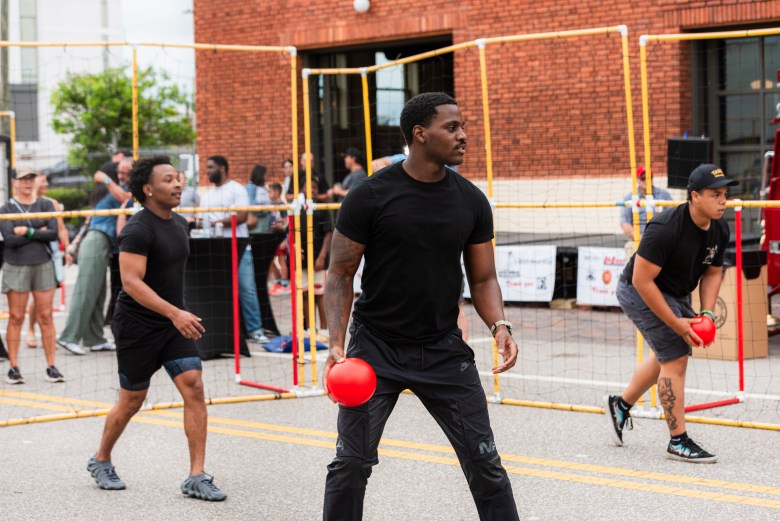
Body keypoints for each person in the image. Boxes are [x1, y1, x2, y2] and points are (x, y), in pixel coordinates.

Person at [322, 92, 520, 520]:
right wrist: (336, 344)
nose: (464, 136)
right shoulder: (370, 196)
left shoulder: (470, 200)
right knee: (352, 464)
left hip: (443, 349)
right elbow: (339, 273)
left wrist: (499, 325)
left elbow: (483, 277)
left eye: (463, 126)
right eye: (452, 128)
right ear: (419, 134)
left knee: (485, 463)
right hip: (376, 349)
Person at [86, 155, 226, 501]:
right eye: (168, 180)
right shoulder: (137, 228)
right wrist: (175, 313)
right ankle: (100, 458)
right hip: (136, 326)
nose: (178, 184)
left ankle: (197, 475)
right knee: (132, 399)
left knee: (193, 384)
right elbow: (131, 283)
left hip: (171, 324)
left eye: (178, 178)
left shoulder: (180, 224)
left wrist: (177, 315)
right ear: (147, 189)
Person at [606, 163, 738, 464]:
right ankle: (677, 441)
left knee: (669, 353)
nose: (723, 201)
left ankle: (620, 405)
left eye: (725, 194)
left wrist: (705, 311)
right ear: (694, 197)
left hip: (674, 290)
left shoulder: (719, 228)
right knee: (676, 356)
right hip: (639, 289)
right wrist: (676, 322)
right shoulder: (666, 228)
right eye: (715, 194)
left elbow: (713, 273)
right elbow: (641, 280)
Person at [57, 158, 132, 355]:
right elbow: (125, 196)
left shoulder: (113, 190)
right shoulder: (114, 190)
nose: (122, 175)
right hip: (96, 241)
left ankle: (94, 338)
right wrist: (107, 179)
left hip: (102, 244)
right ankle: (68, 336)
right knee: (86, 290)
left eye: (125, 172)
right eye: (119, 172)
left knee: (98, 293)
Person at [0, 165, 63, 384]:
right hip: (16, 265)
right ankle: (14, 367)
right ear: (15, 182)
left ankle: (52, 366)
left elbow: (53, 233)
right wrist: (40, 232)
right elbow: (10, 240)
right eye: (23, 179)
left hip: (42, 264)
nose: (27, 182)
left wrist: (26, 231)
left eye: (31, 178)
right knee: (16, 317)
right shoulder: (6, 208)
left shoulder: (46, 204)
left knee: (46, 317)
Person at [199, 155, 269, 344]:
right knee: (218, 292)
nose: (207, 171)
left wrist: (216, 222)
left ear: (222, 168)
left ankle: (255, 329)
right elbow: (200, 221)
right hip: (214, 248)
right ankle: (224, 331)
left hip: (239, 246)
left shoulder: (237, 189)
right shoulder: (206, 196)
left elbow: (242, 217)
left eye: (211, 167)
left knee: (246, 289)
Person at [26, 172, 72, 348]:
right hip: (31, 252)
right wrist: (42, 230)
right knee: (36, 298)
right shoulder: (26, 203)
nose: (46, 184)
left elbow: (59, 229)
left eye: (46, 181)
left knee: (47, 296)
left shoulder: (51, 203)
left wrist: (67, 249)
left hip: (51, 252)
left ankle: (46, 332)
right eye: (42, 181)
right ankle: (31, 328)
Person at [298, 176, 333, 338]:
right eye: (308, 187)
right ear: (302, 189)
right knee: (305, 294)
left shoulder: (322, 207)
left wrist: (322, 256)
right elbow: (292, 231)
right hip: (303, 260)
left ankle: (324, 330)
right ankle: (310, 329)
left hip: (318, 258)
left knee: (320, 294)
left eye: (315, 188)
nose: (312, 190)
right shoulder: (298, 208)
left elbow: (328, 233)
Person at [620, 165, 673, 240]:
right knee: (630, 248)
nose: (646, 180)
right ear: (637, 179)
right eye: (643, 178)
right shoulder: (629, 197)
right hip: (638, 239)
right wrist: (640, 239)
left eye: (649, 177)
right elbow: (624, 223)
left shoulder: (664, 195)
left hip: (662, 238)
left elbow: (674, 217)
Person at [246, 164, 273, 233]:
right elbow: (251, 205)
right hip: (257, 223)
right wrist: (265, 211)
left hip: (265, 222)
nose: (267, 177)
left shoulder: (263, 187)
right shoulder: (251, 187)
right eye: (265, 175)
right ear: (260, 175)